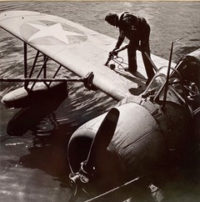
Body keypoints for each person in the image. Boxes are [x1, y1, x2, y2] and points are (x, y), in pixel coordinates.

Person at [105, 12, 155, 84]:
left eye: (111, 23)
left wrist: (137, 44)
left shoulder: (126, 20)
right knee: (131, 49)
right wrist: (116, 48)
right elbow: (121, 37)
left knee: (145, 52)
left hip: (144, 30)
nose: (111, 25)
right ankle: (132, 68)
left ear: (114, 19)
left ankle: (151, 76)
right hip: (136, 31)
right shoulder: (120, 22)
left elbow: (135, 34)